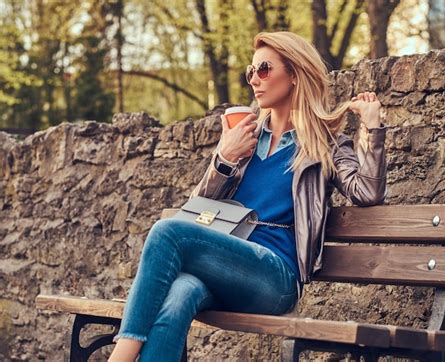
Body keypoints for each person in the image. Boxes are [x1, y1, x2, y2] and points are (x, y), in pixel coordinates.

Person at [108, 31, 387, 362]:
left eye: (264, 69)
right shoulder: (245, 136)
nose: (255, 79)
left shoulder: (325, 143)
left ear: (295, 74)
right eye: (250, 71)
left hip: (276, 278)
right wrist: (224, 160)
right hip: (227, 266)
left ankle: (121, 355)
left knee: (166, 231)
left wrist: (371, 129)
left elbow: (366, 191)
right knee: (180, 293)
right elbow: (197, 210)